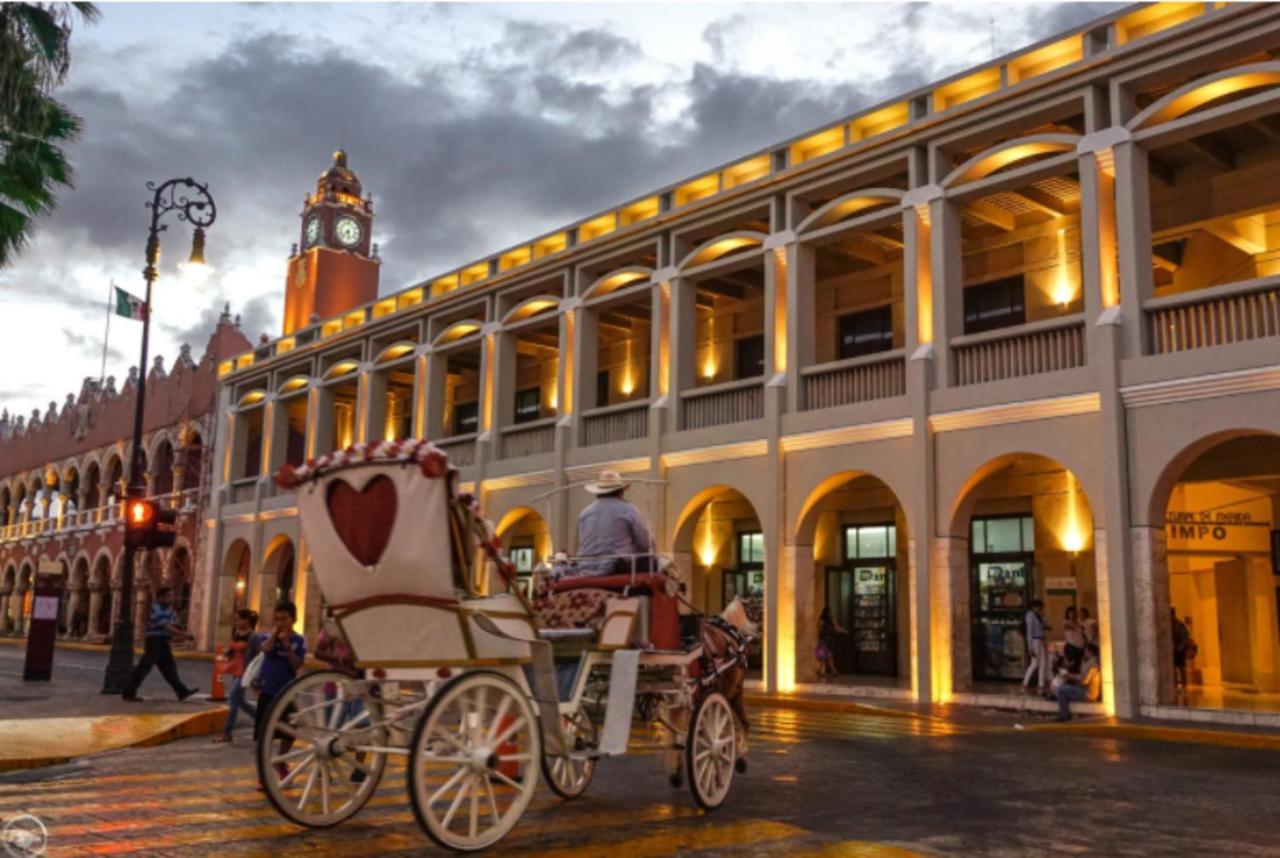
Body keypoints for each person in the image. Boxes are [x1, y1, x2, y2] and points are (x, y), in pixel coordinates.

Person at [253, 601, 306, 791]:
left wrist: (287, 646)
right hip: (268, 692)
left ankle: (281, 761)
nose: (281, 622)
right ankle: (262, 776)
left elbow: (297, 665)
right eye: (277, 619)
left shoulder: (298, 641)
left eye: (284, 619)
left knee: (290, 732)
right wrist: (275, 636)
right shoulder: (268, 636)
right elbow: (265, 649)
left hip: (287, 693)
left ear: (293, 620)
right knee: (263, 736)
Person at [122, 586, 199, 702]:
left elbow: (172, 624)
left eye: (171, 596)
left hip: (163, 642)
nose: (171, 598)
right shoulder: (156, 609)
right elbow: (166, 626)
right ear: (160, 597)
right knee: (143, 668)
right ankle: (128, 693)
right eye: (168, 596)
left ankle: (181, 692)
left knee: (170, 669)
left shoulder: (168, 610)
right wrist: (184, 635)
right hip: (155, 642)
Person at [575, 469, 655, 575]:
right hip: (615, 567)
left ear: (598, 491)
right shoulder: (628, 509)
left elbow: (582, 542)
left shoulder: (584, 513)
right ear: (620, 491)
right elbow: (645, 543)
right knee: (651, 562)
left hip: (584, 568)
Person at [213, 609, 258, 744]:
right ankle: (262, 719)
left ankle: (227, 733)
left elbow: (257, 655)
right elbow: (233, 649)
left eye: (239, 619)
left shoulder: (253, 637)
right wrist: (226, 656)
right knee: (239, 701)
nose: (236, 622)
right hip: (235, 668)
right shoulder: (238, 633)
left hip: (245, 671)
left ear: (247, 621)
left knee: (233, 699)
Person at [1055, 643, 1102, 721]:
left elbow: (1084, 680)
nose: (1084, 653)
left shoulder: (1093, 665)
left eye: (1086, 651)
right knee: (1062, 690)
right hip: (1084, 690)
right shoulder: (1089, 662)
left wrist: (1068, 675)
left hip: (1087, 693)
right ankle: (1064, 713)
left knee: (1061, 689)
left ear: (1090, 652)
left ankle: (1064, 714)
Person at [1022, 599, 1051, 696]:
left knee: (1043, 663)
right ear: (1035, 607)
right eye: (1040, 607)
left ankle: (1041, 685)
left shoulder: (1040, 616)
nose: (1041, 609)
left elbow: (1046, 625)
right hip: (1035, 641)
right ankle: (1025, 683)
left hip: (1041, 640)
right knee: (1035, 663)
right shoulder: (1030, 616)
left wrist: (1043, 619)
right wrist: (1030, 647)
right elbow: (1029, 632)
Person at [816, 607, 846, 678]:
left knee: (826, 656)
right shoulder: (829, 620)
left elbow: (818, 628)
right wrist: (844, 631)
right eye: (830, 612)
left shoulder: (822, 620)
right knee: (828, 656)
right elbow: (836, 628)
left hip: (824, 640)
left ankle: (822, 671)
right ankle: (832, 671)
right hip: (826, 640)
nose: (831, 613)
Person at [1172, 608, 1191, 694]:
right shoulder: (1169, 624)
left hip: (1178, 649)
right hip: (1172, 649)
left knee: (1181, 668)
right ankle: (1174, 685)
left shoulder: (1179, 624)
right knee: (1173, 669)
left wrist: (1180, 647)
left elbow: (1185, 636)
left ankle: (1184, 685)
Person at [1061, 606, 1085, 672]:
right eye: (1070, 612)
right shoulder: (1066, 622)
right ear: (1067, 613)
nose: (1072, 614)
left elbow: (1082, 631)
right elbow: (1070, 627)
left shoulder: (1078, 622)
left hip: (1080, 647)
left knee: (1078, 665)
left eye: (1074, 612)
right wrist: (1078, 626)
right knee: (1072, 665)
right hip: (1071, 646)